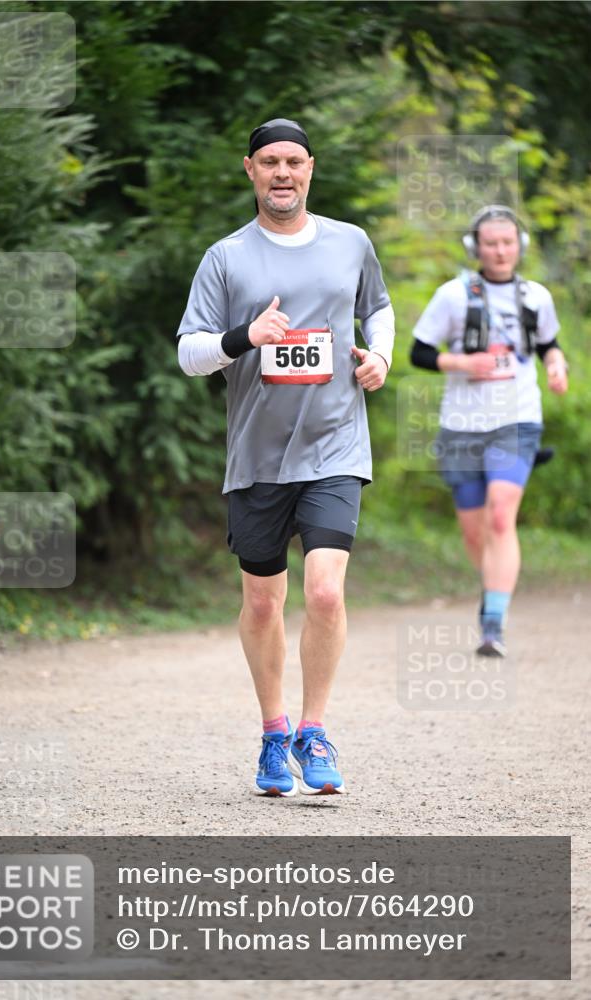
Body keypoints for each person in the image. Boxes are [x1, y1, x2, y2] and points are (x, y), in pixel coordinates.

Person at [176, 118, 394, 796]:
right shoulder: (225, 257)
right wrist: (245, 335)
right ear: (249, 169)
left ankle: (314, 729)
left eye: (292, 161)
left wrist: (379, 356)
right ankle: (273, 735)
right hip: (257, 457)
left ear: (309, 169)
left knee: (325, 591)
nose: (281, 173)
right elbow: (189, 354)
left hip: (334, 444)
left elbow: (377, 308)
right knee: (265, 605)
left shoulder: (349, 243)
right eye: (268, 161)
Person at [410, 205, 568, 657]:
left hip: (517, 418)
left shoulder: (536, 296)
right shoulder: (453, 295)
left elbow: (549, 345)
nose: (500, 251)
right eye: (491, 243)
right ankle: (492, 589)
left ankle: (493, 623)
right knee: (475, 532)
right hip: (461, 424)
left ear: (520, 246)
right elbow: (419, 353)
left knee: (501, 514)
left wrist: (556, 365)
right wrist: (461, 362)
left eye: (508, 242)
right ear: (475, 247)